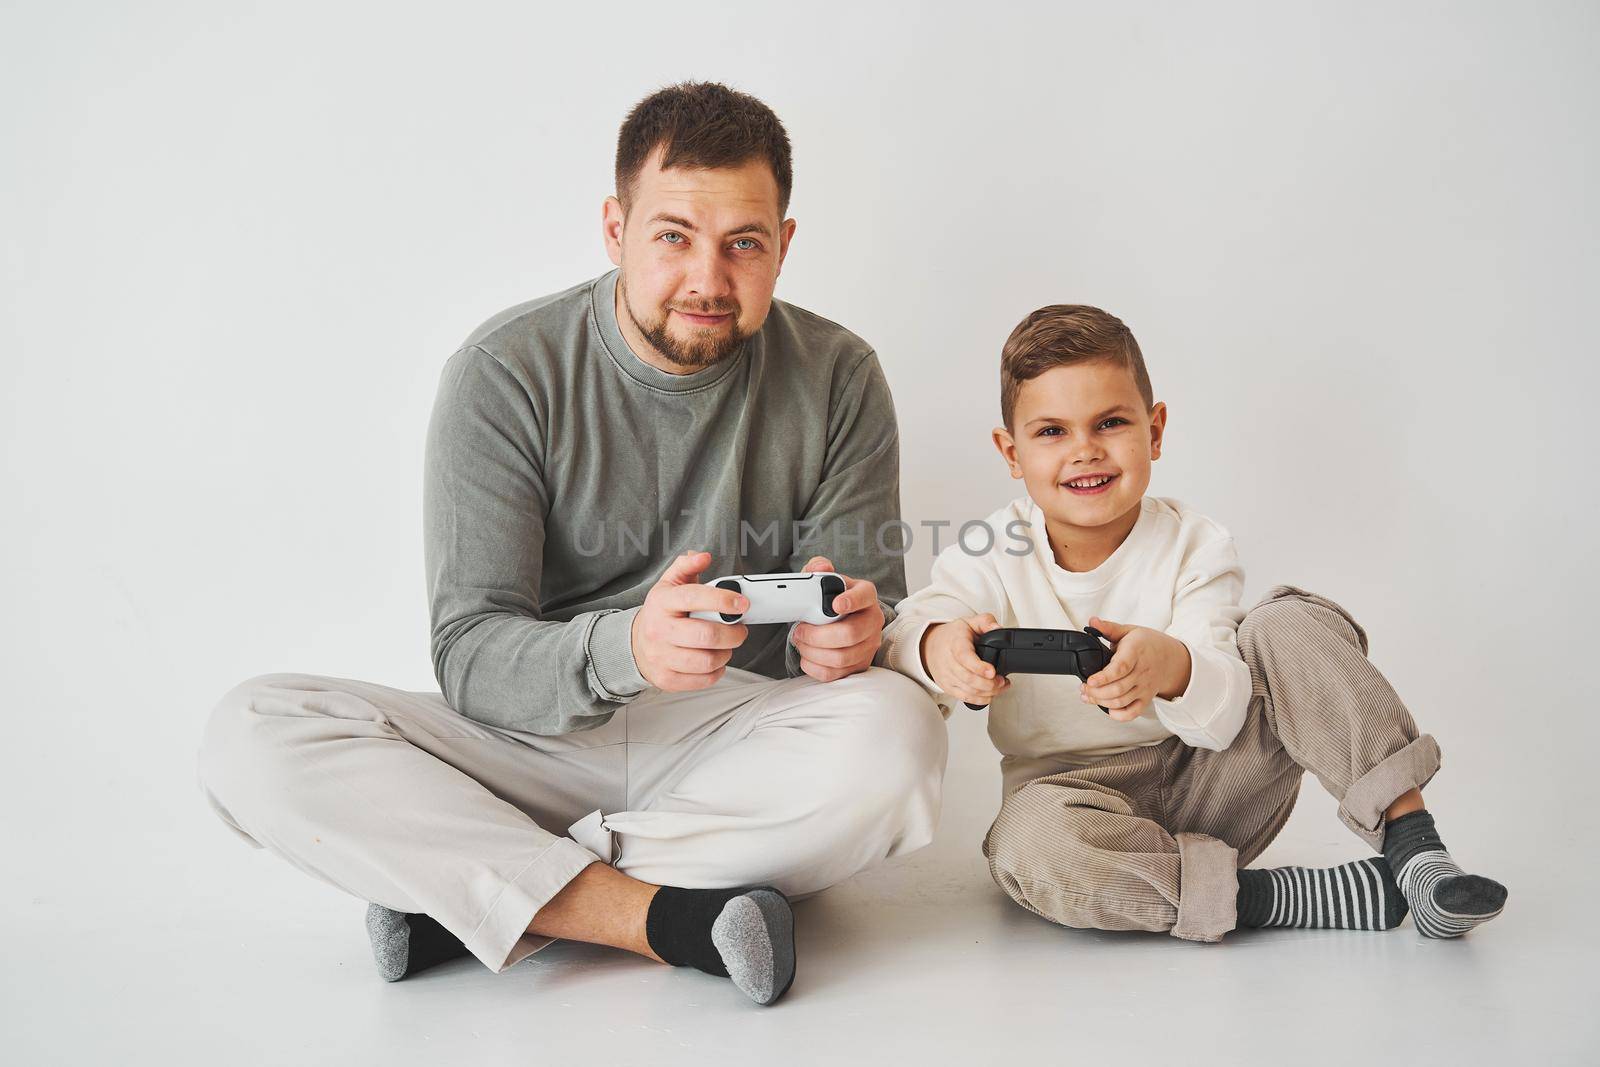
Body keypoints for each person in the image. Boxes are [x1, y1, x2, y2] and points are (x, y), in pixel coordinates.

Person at [196, 82, 946, 1006]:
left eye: (743, 243)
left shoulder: (839, 376)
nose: (708, 279)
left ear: (784, 244)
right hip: (527, 737)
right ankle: (659, 916)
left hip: (728, 736)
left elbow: (865, 618)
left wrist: (846, 638)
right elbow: (469, 655)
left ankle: (474, 888)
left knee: (902, 735)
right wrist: (629, 646)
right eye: (673, 235)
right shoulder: (504, 370)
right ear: (614, 228)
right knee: (251, 733)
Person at [877, 304, 1506, 941]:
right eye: (1052, 432)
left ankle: (1416, 850)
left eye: (1110, 423)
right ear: (1010, 452)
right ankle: (1280, 898)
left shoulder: (1194, 544)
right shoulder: (992, 548)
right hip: (1071, 797)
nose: (1085, 451)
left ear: (1154, 431)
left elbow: (1223, 714)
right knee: (1024, 847)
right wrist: (939, 648)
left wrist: (1172, 669)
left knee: (1288, 622)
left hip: (1210, 778)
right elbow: (907, 627)